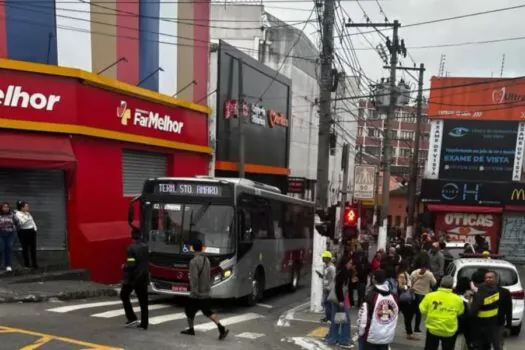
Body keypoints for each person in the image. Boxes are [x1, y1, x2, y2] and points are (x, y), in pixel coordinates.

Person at [181, 239, 229, 340]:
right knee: (208, 311)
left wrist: (194, 292)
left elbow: (193, 278)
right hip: (206, 291)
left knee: (188, 310)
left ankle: (191, 329)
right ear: (201, 248)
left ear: (193, 248)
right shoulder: (206, 260)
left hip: (196, 293)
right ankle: (221, 327)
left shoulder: (193, 262)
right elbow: (210, 275)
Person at [357, 269, 399, 350]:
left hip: (372, 336)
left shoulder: (371, 296)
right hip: (387, 336)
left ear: (374, 279)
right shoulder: (394, 297)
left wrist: (360, 332)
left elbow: (363, 318)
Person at [419, 276, 464, 350]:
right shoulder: (458, 299)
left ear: (440, 284)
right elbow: (460, 312)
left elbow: (422, 310)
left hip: (433, 329)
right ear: (452, 286)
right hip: (449, 331)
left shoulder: (430, 296)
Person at [120, 228, 149, 329]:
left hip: (132, 278)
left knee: (124, 295)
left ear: (132, 237)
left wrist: (124, 267)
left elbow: (131, 264)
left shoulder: (130, 248)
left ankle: (132, 318)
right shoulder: (146, 247)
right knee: (143, 301)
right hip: (144, 277)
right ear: (140, 236)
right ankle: (144, 323)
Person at [324, 255, 353, 348]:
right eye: (350, 263)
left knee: (336, 319)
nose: (351, 265)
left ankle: (333, 338)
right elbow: (338, 288)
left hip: (336, 299)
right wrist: (341, 300)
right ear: (346, 263)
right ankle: (344, 340)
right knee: (345, 320)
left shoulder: (342, 271)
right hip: (339, 300)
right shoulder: (343, 273)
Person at [469, 270, 502, 350]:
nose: (488, 279)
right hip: (482, 325)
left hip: (489, 324)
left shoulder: (482, 292)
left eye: (490, 277)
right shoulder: (493, 290)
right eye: (486, 277)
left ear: (496, 279)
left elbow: (473, 310)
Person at [410, 262, 437, 334]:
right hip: (423, 294)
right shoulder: (429, 274)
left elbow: (410, 281)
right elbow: (434, 282)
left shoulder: (414, 272)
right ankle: (416, 328)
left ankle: (409, 327)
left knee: (412, 312)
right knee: (419, 312)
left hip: (414, 293)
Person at [396, 261, 418, 341]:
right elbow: (401, 286)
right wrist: (409, 289)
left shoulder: (405, 274)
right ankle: (409, 333)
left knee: (406, 315)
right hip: (405, 298)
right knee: (408, 315)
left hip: (405, 298)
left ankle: (409, 332)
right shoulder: (402, 274)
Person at [15, 201, 38, 269]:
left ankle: (34, 263)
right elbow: (22, 222)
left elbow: (32, 221)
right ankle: (27, 264)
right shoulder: (17, 214)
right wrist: (27, 217)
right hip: (24, 231)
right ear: (22, 208)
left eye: (27, 206)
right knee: (25, 248)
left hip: (31, 231)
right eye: (26, 206)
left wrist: (35, 228)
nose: (27, 207)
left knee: (33, 248)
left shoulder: (28, 213)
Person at [453, 277, 474, 350]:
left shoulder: (453, 293)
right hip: (466, 324)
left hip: (454, 321)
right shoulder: (471, 295)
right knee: (467, 342)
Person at [317, 250, 336, 322]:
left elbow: (334, 278)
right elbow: (326, 277)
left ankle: (330, 317)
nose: (322, 258)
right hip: (325, 287)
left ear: (328, 258)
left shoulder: (331, 268)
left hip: (329, 288)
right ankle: (328, 317)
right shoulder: (325, 266)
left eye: (324, 257)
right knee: (324, 303)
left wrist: (331, 287)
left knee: (328, 303)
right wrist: (321, 276)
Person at [497, 274, 513, 349]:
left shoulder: (505, 292)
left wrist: (508, 326)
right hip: (484, 324)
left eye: (491, 278)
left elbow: (508, 310)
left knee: (499, 345)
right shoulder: (481, 291)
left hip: (499, 323)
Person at [0, 202, 17, 272]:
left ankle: (8, 265)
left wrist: (14, 228)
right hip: (0, 234)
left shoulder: (12, 214)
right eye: (4, 207)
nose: (6, 208)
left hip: (10, 234)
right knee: (1, 249)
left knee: (9, 248)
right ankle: (1, 264)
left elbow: (17, 222)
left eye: (7, 207)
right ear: (1, 208)